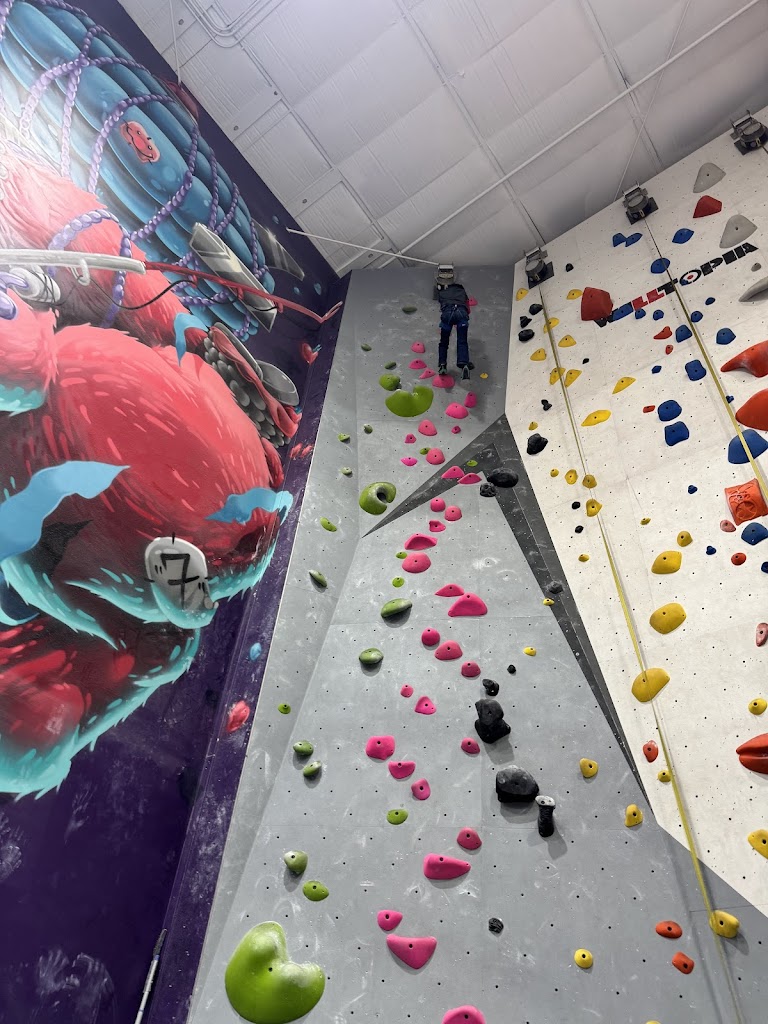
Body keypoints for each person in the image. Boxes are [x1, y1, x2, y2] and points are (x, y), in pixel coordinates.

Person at [436, 281, 471, 379]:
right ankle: (464, 365)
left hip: (447, 315)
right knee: (462, 341)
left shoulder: (443, 293)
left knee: (443, 343)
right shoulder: (462, 292)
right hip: (461, 313)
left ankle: (442, 365)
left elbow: (441, 305)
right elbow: (468, 310)